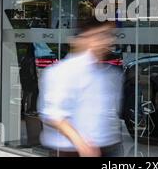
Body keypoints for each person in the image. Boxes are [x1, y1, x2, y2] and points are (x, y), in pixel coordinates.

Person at [38, 19, 123, 157]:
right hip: (72, 150)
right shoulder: (63, 71)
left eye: (110, 35)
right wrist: (82, 145)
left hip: (108, 147)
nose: (107, 40)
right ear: (85, 38)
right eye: (101, 35)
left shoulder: (110, 73)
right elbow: (54, 114)